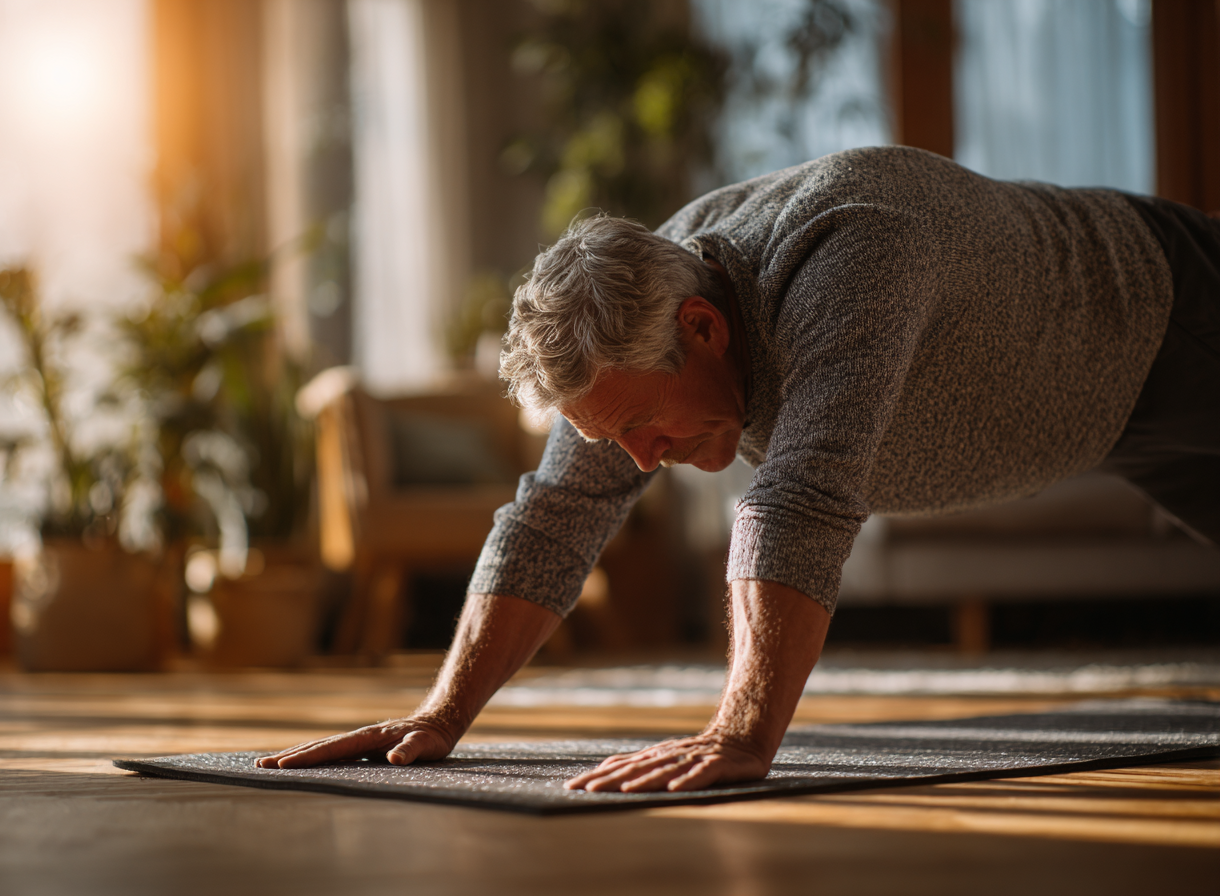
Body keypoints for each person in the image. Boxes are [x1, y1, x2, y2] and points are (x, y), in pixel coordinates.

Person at [257, 145, 1220, 792]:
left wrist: (742, 734)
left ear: (705, 328)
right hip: (1100, 424)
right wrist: (439, 714)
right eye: (615, 438)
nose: (641, 463)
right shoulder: (648, 298)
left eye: (640, 423)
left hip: (1174, 319)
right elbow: (555, 513)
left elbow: (799, 497)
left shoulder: (851, 253)